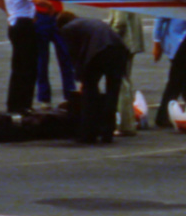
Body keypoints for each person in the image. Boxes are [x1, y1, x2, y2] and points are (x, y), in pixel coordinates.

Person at [56, 10, 131, 145]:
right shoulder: (90, 21)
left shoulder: (67, 28)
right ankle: (107, 133)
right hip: (119, 51)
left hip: (99, 52)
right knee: (112, 93)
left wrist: (81, 78)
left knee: (90, 93)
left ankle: (88, 133)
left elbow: (74, 54)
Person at [0, 0, 37, 114]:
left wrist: (8, 12)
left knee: (17, 65)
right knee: (28, 65)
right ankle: (24, 103)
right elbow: (36, 0)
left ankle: (14, 103)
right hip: (24, 23)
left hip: (14, 22)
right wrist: (49, 6)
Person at [152, 18, 186, 127]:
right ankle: (163, 115)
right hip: (176, 40)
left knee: (181, 77)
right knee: (178, 78)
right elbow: (160, 19)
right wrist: (157, 42)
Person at [107, 10, 146, 135]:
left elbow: (120, 22)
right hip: (130, 43)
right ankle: (128, 123)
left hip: (122, 44)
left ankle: (125, 125)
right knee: (126, 82)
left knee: (121, 84)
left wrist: (108, 36)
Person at [32, 0, 76, 106]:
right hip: (43, 13)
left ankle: (68, 95)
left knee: (65, 57)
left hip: (55, 14)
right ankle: (45, 97)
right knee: (42, 60)